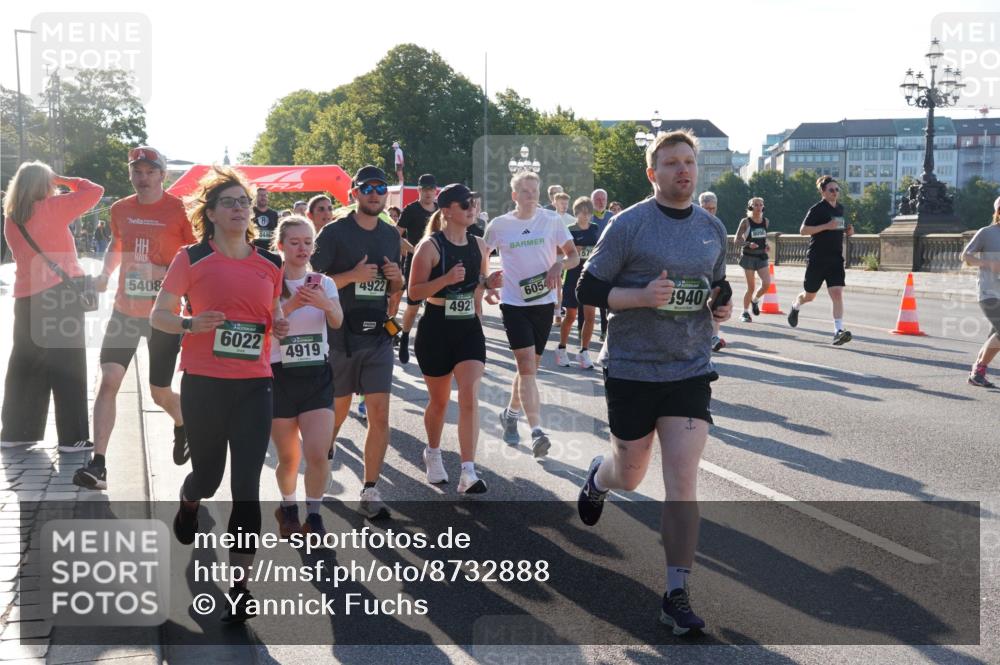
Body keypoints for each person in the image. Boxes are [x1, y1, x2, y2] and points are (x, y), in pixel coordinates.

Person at [576, 129, 732, 636]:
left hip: (689, 368)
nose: (682, 170)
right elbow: (588, 287)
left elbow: (717, 281)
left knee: (683, 481)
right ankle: (600, 478)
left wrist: (721, 301)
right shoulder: (629, 225)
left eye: (689, 162)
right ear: (653, 173)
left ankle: (676, 592)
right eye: (670, 163)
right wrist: (642, 297)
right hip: (631, 368)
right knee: (631, 474)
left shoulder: (712, 227)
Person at [151, 165, 288, 623]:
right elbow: (160, 316)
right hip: (205, 384)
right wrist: (190, 323)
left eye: (244, 202)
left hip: (255, 385)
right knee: (207, 479)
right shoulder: (191, 259)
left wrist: (281, 323)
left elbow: (271, 315)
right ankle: (189, 504)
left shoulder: (270, 262)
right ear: (209, 212)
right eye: (228, 202)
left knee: (247, 488)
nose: (238, 208)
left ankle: (241, 587)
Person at [73, 146, 196, 490]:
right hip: (125, 310)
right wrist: (102, 277)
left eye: (149, 172)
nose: (142, 178)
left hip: (164, 315)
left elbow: (195, 257)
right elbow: (116, 243)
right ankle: (98, 464)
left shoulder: (179, 210)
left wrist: (162, 272)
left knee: (159, 393)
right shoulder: (120, 208)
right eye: (136, 171)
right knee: (109, 379)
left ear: (162, 175)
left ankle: (182, 420)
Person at [312, 165, 403, 520]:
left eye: (380, 188)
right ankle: (326, 447)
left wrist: (397, 279)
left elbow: (395, 288)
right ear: (354, 193)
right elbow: (312, 281)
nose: (375, 194)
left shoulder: (390, 235)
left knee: (379, 412)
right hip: (339, 338)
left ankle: (370, 488)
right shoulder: (335, 233)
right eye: (367, 188)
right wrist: (351, 276)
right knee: (338, 410)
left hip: (378, 336)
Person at [1, 162, 103, 453]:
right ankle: (73, 438)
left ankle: (16, 431)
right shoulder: (52, 207)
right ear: (45, 184)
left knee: (24, 364)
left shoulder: (12, 218)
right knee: (68, 365)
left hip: (25, 300)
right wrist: (63, 178)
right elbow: (94, 191)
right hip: (59, 297)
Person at [409, 184, 501, 493]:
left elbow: (480, 284)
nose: (472, 208)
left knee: (469, 397)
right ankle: (433, 453)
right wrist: (446, 280)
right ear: (446, 210)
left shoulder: (479, 244)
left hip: (468, 329)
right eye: (465, 204)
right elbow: (414, 292)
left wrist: (490, 284)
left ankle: (468, 471)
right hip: (435, 329)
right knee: (439, 402)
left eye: (474, 202)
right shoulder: (429, 247)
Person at [486, 171, 578, 458]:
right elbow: (480, 252)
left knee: (529, 371)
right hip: (514, 305)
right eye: (525, 191)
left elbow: (574, 255)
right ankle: (537, 430)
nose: (531, 195)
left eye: (535, 191)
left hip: (543, 304)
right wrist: (486, 282)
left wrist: (559, 264)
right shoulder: (500, 225)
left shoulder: (552, 221)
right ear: (514, 196)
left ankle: (511, 414)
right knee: (526, 366)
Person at [269, 216, 343, 537]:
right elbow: (266, 326)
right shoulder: (270, 282)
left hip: (316, 374)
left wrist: (326, 305)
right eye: (295, 242)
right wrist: (293, 303)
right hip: (279, 375)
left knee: (317, 452)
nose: (302, 248)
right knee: (288, 458)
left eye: (308, 242)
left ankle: (314, 515)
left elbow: (338, 321)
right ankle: (288, 507)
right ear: (281, 245)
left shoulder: (323, 283)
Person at [787, 176, 854, 345]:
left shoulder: (840, 209)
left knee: (837, 294)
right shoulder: (817, 209)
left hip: (836, 259)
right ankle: (796, 306)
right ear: (823, 192)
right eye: (831, 190)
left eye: (837, 189)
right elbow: (803, 230)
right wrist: (826, 226)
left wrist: (848, 231)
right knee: (809, 296)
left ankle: (838, 331)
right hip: (817, 258)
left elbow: (837, 227)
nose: (835, 192)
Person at [396, 174, 438, 364]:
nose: (428, 193)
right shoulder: (411, 210)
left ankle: (431, 344)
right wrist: (415, 250)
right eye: (425, 189)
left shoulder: (440, 210)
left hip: (436, 264)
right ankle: (405, 337)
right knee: (412, 307)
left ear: (435, 191)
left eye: (431, 189)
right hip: (414, 263)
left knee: (434, 306)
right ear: (419, 190)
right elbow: (396, 236)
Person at [555, 197, 600, 370]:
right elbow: (560, 251)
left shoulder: (595, 229)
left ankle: (584, 351)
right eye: (582, 212)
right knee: (571, 315)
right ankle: (562, 348)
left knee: (590, 316)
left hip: (590, 276)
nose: (586, 215)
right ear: (576, 213)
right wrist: (575, 251)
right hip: (573, 276)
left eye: (588, 212)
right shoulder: (569, 230)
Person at [960, 196, 1000, 388]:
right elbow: (965, 256)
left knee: (996, 337)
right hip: (988, 292)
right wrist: (987, 263)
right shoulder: (987, 233)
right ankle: (979, 370)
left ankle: (978, 372)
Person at [697, 192, 726, 353]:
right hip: (694, 271)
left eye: (713, 209)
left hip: (714, 269)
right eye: (706, 208)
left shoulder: (718, 226)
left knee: (718, 299)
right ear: (699, 205)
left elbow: (722, 252)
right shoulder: (691, 222)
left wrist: (721, 279)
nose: (709, 212)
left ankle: (714, 336)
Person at [734, 197, 771, 323]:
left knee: (767, 284)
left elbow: (763, 237)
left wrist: (766, 245)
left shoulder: (765, 221)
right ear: (750, 207)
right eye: (756, 205)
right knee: (751, 287)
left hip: (761, 256)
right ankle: (744, 312)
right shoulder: (746, 222)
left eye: (761, 205)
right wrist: (748, 244)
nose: (759, 207)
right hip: (748, 257)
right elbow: (737, 240)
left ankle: (755, 300)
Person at [251, 187, 279, 251]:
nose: (263, 197)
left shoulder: (274, 213)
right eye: (260, 195)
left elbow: (276, 232)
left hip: (270, 249)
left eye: (265, 195)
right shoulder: (250, 212)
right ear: (255, 197)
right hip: (253, 249)